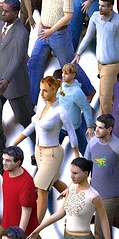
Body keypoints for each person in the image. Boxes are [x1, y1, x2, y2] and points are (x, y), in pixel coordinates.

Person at [11, 75, 80, 221]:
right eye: (41, 90)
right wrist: (13, 143)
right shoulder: (42, 107)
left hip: (53, 153)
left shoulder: (61, 111)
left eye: (46, 91)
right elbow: (32, 127)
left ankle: (36, 225)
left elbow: (72, 134)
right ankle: (78, 205)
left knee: (41, 188)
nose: (41, 94)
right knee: (53, 182)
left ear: (55, 90)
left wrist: (76, 156)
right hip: (39, 152)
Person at [26, 0, 95, 104]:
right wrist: (41, 25)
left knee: (68, 64)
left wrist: (51, 30)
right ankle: (32, 100)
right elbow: (45, 9)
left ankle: (89, 90)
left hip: (59, 34)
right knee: (34, 62)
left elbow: (68, 15)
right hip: (44, 31)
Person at [28, 158, 114, 239]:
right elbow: (61, 213)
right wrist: (38, 229)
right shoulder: (71, 188)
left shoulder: (94, 195)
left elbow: (103, 220)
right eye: (71, 172)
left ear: (86, 174)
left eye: (75, 173)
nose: (71, 176)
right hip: (67, 238)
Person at [73, 0, 119, 115]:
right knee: (111, 95)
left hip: (113, 65)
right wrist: (79, 53)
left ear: (111, 7)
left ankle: (104, 125)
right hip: (100, 64)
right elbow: (88, 37)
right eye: (99, 5)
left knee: (104, 97)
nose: (100, 8)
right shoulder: (95, 17)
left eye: (103, 6)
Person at [0, 0, 34, 130]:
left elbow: (16, 59)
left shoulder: (21, 33)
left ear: (16, 13)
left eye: (6, 11)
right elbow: (0, 50)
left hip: (14, 84)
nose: (3, 13)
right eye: (2, 10)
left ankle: (40, 145)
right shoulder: (0, 25)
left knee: (25, 120)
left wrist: (6, 80)